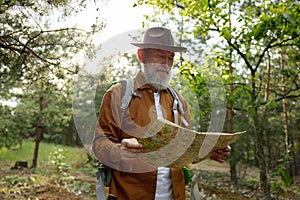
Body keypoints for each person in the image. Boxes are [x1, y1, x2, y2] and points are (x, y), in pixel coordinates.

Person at [92, 27, 231, 200]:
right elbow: (99, 144)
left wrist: (208, 150)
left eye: (170, 58)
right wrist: (118, 150)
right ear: (142, 56)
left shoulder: (178, 101)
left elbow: (185, 150)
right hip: (129, 195)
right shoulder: (118, 95)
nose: (166, 64)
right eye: (160, 56)